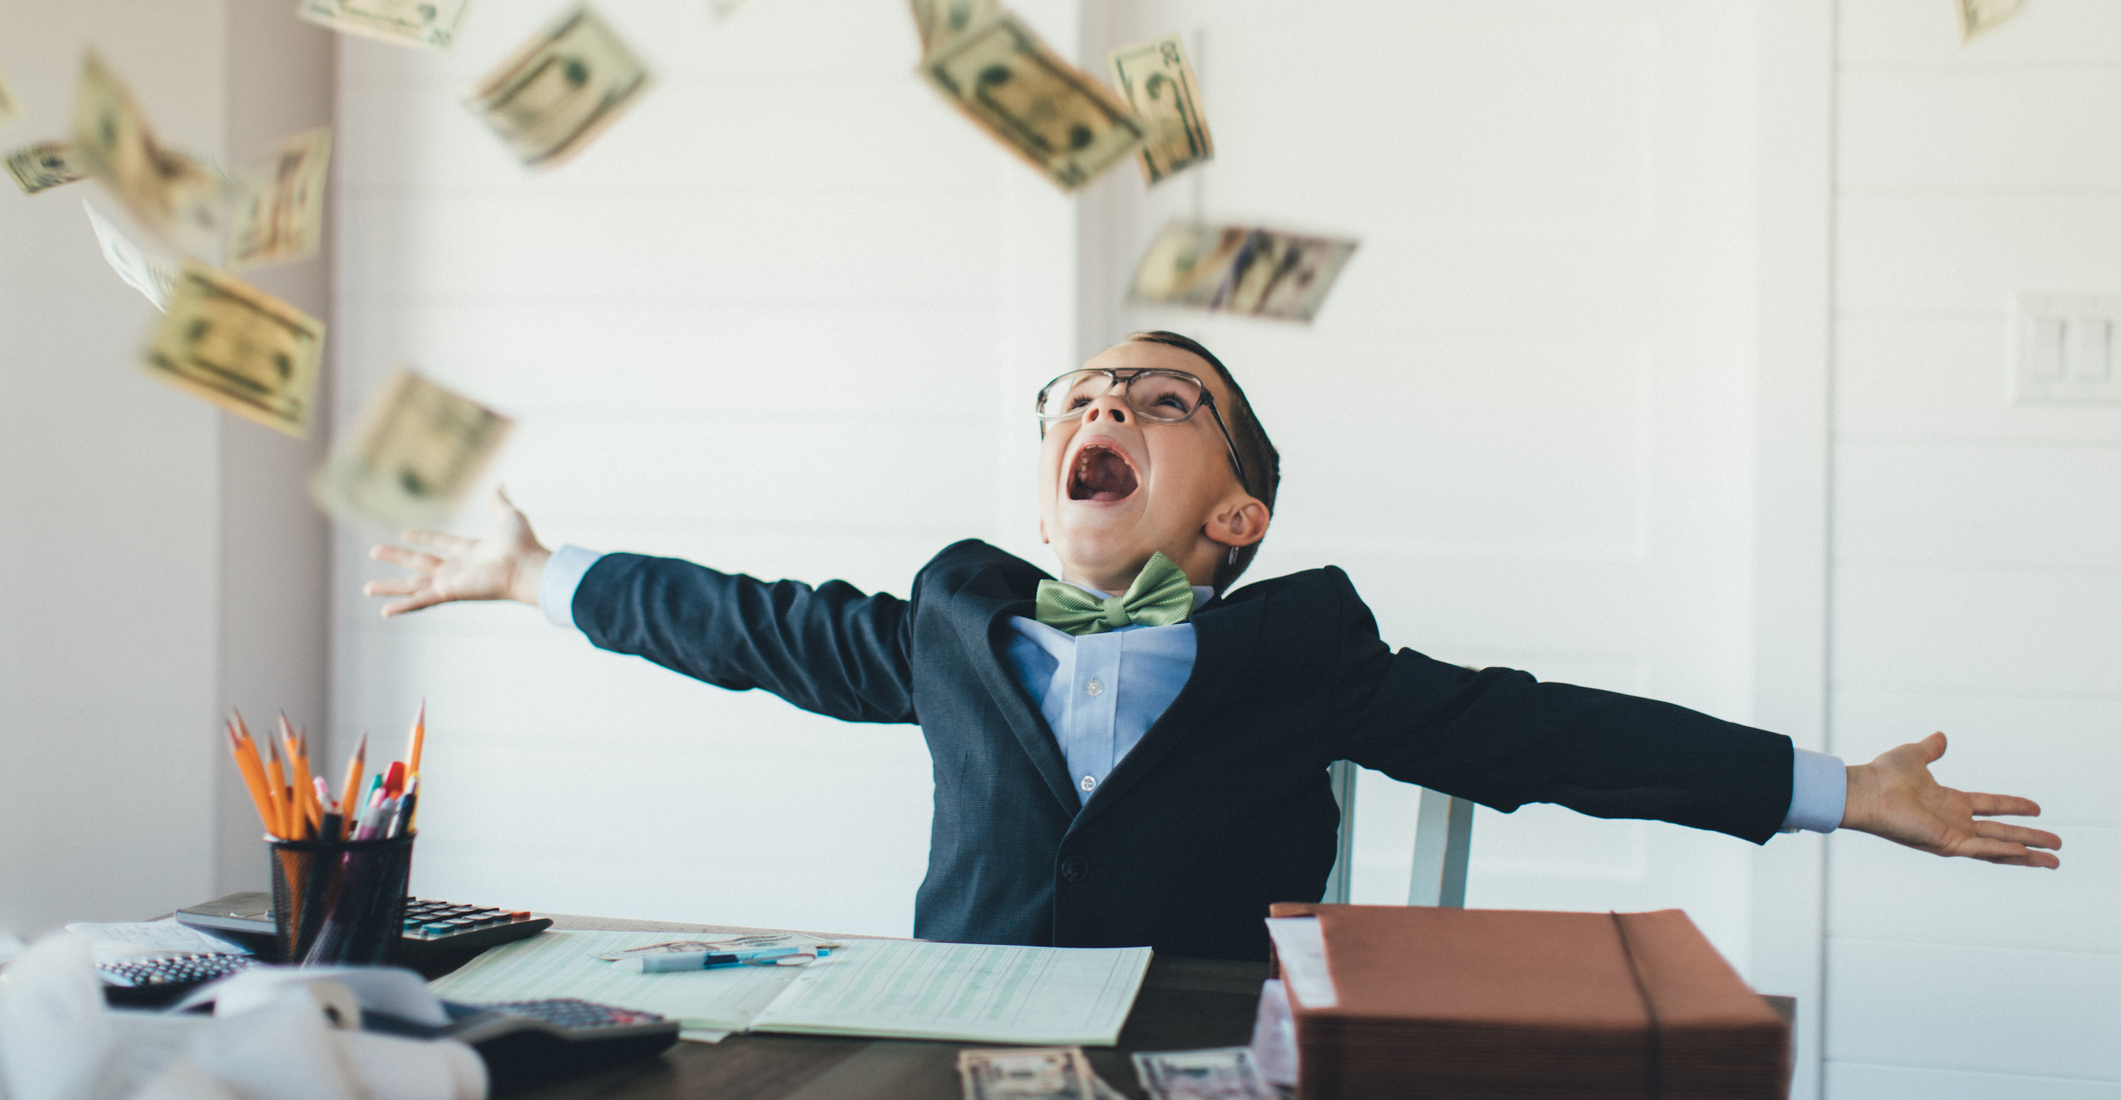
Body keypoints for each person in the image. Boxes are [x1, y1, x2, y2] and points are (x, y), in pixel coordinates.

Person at [366, 330, 2061, 962]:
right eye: (1081, 395)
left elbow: (1546, 737)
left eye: (1163, 400)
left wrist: (1836, 788)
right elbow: (746, 626)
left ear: (1234, 515)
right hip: (961, 1036)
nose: (1105, 402)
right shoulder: (954, 630)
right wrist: (542, 572)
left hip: (1210, 1055)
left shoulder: (1298, 655)